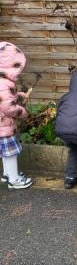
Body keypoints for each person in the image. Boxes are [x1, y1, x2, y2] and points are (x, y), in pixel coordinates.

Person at [0, 41, 32, 189]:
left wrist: (19, 95)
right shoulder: (5, 84)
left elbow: (6, 98)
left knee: (5, 153)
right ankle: (14, 180)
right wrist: (23, 112)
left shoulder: (3, 82)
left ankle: (7, 174)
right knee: (11, 153)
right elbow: (8, 107)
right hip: (4, 125)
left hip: (1, 126)